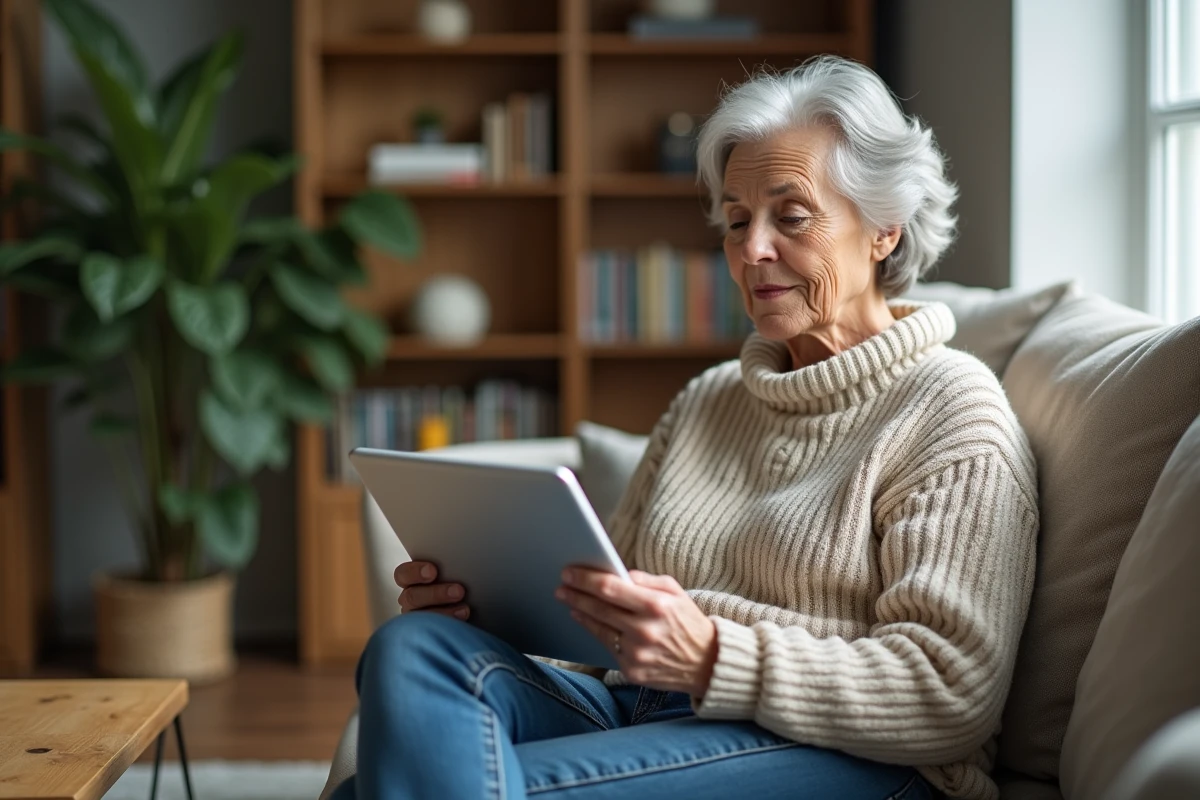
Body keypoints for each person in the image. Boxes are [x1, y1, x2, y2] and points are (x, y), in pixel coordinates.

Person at [331, 55, 1037, 800]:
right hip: (638, 708)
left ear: (884, 230)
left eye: (790, 217)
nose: (751, 250)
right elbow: (602, 627)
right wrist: (489, 613)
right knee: (413, 647)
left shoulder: (953, 410)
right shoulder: (708, 400)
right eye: (736, 221)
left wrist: (709, 658)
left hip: (845, 752)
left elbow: (950, 692)